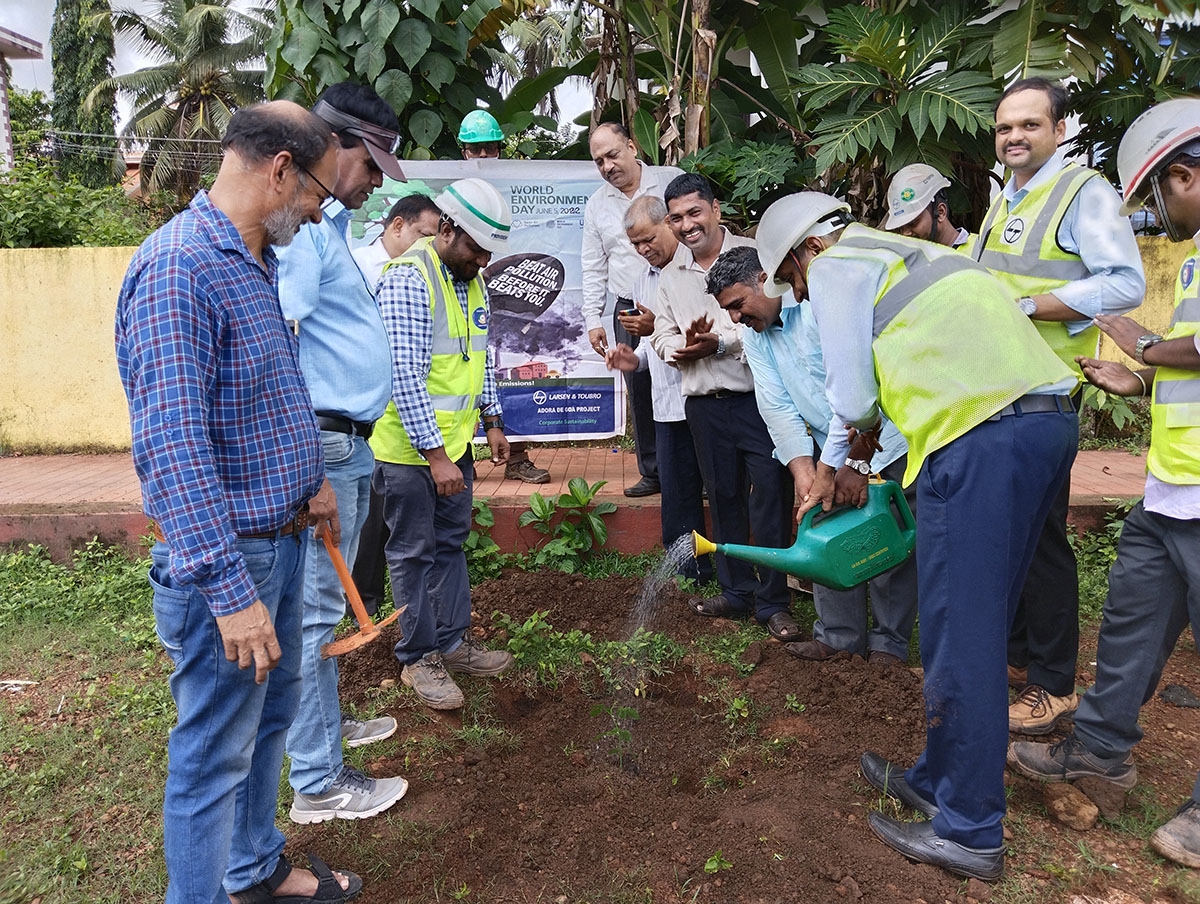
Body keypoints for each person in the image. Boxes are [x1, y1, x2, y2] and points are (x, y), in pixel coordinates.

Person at [771, 192, 1076, 881]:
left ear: (804, 252)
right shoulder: (909, 252)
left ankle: (969, 829)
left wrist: (827, 468)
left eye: (791, 281)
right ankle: (938, 777)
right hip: (1037, 423)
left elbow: (850, 396)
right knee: (962, 623)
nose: (801, 295)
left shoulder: (836, 265)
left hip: (982, 439)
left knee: (960, 632)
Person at [116, 101, 363, 902]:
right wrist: (230, 596)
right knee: (213, 752)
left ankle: (255, 870)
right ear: (281, 168)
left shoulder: (250, 259)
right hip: (233, 561)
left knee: (267, 725)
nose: (322, 208)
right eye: (319, 191)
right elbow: (173, 450)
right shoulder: (178, 268)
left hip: (282, 537)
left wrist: (311, 485)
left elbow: (263, 395)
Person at [1007, 97, 1200, 870]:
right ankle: (1098, 756)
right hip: (1170, 491)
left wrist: (1147, 349)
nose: (1157, 212)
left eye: (1158, 195)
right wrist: (1140, 383)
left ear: (1183, 175)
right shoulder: (1196, 260)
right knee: (1127, 629)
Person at [972, 78, 1146, 736]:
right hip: (998, 393)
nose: (1013, 136)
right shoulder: (1004, 196)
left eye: (1028, 125)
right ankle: (1023, 662)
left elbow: (1126, 283)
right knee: (1016, 534)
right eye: (1004, 128)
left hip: (1041, 394)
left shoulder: (1081, 192)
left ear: (1059, 128)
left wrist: (1031, 306)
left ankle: (1052, 686)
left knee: (1042, 541)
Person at [276, 83, 410, 826]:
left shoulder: (324, 230)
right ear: (333, 148)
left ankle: (321, 734)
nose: (375, 182)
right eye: (371, 164)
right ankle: (318, 782)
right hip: (323, 445)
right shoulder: (301, 237)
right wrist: (304, 466)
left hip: (342, 442)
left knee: (321, 612)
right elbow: (281, 344)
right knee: (313, 615)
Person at [706, 240, 918, 666]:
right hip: (828, 449)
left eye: (738, 304)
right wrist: (806, 472)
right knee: (823, 534)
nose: (734, 318)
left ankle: (889, 645)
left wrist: (857, 461)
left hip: (889, 437)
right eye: (727, 310)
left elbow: (862, 384)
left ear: (764, 281)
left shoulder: (819, 305)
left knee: (883, 535)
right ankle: (838, 639)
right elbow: (777, 406)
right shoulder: (757, 337)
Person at [373, 177, 516, 710]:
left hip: (452, 450)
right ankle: (418, 658)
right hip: (410, 453)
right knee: (412, 553)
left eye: (488, 252)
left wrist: (493, 420)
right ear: (448, 230)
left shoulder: (470, 280)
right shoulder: (410, 279)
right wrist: (435, 456)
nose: (483, 260)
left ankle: (453, 643)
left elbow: (480, 357)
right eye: (477, 248)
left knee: (451, 544)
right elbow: (404, 376)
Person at [649, 173, 800, 643]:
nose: (686, 225)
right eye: (676, 217)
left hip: (759, 400)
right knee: (724, 497)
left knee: (770, 496)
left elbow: (776, 314)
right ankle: (737, 593)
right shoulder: (670, 275)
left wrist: (719, 343)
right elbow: (660, 334)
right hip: (703, 407)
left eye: (694, 212)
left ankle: (774, 602)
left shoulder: (757, 256)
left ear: (716, 208)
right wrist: (681, 349)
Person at [604, 195, 711, 583]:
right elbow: (651, 345)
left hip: (705, 398)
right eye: (636, 245)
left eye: (649, 239)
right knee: (678, 494)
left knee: (720, 489)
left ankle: (736, 571)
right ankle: (687, 570)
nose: (644, 249)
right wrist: (634, 359)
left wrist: (656, 332)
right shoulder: (640, 281)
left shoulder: (698, 268)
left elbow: (710, 332)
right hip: (667, 404)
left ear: (669, 224)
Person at [350, 191, 442, 618]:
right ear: (397, 225)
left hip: (401, 415)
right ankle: (363, 609)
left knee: (397, 523)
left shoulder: (425, 274)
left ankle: (403, 615)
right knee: (366, 522)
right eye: (424, 234)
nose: (430, 244)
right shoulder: (356, 268)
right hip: (362, 411)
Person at [582, 122, 683, 497]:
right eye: (598, 162)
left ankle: (699, 471)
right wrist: (593, 320)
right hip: (629, 305)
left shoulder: (671, 182)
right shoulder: (597, 205)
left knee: (691, 377)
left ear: (632, 146)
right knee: (640, 386)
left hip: (681, 295)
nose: (607, 166)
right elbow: (593, 265)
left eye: (612, 155)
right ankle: (654, 471)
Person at [456, 108, 551, 485]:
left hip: (505, 294)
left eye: (489, 148)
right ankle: (459, 457)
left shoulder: (512, 187)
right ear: (463, 152)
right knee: (460, 371)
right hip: (458, 292)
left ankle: (518, 457)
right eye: (475, 150)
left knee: (508, 373)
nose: (482, 157)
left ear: (499, 148)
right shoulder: (453, 192)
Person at [353, 192, 442, 290]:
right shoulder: (357, 262)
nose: (430, 244)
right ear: (398, 226)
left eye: (433, 240)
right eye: (426, 236)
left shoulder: (432, 270)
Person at [882, 163, 971, 247]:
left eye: (912, 223)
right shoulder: (912, 261)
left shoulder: (978, 253)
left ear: (941, 212)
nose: (905, 233)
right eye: (901, 228)